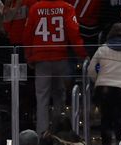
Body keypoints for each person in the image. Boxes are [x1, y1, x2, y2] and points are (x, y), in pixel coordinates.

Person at [23, 0, 87, 134]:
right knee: (59, 96)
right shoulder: (67, 8)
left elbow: (27, 34)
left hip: (41, 60)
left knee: (42, 98)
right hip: (60, 58)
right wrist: (82, 54)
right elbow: (74, 33)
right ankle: (58, 131)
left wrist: (29, 56)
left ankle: (42, 135)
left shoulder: (35, 8)